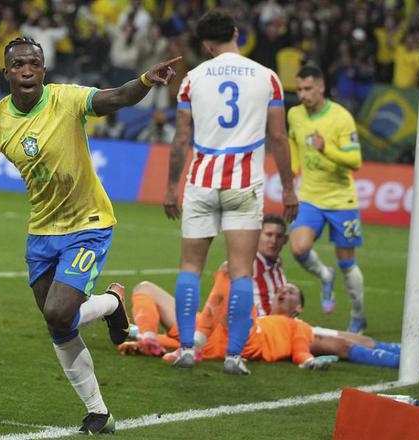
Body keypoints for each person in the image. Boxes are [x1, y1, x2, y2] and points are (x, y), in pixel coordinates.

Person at [0, 37, 179, 435]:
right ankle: (99, 410)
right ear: (6, 73)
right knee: (58, 323)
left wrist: (145, 80)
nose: (26, 70)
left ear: (43, 70)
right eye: (18, 64)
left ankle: (110, 304)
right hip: (42, 228)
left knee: (58, 312)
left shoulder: (66, 99)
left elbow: (116, 97)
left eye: (33, 64)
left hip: (88, 223)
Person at [163, 10, 297, 373]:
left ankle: (187, 349)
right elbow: (279, 137)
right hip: (244, 184)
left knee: (190, 267)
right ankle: (235, 356)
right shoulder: (268, 78)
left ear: (206, 44)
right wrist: (288, 189)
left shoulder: (192, 79)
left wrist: (171, 187)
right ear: (237, 33)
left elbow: (181, 139)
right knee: (241, 272)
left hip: (202, 182)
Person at [122, 279, 408, 370]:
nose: (284, 291)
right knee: (145, 288)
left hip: (230, 336)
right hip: (209, 329)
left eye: (291, 292)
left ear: (299, 307)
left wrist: (307, 360)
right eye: (282, 290)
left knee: (235, 279)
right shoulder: (264, 317)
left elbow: (333, 345)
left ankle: (404, 355)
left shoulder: (296, 326)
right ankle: (147, 336)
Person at [287, 65, 366, 334]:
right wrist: (292, 170)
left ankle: (358, 316)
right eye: (299, 89)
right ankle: (324, 274)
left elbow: (355, 160)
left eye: (308, 89)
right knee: (298, 248)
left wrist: (325, 149)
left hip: (341, 200)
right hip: (309, 197)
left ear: (321, 87)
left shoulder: (341, 117)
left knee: (347, 261)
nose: (302, 95)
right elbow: (293, 141)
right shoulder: (295, 114)